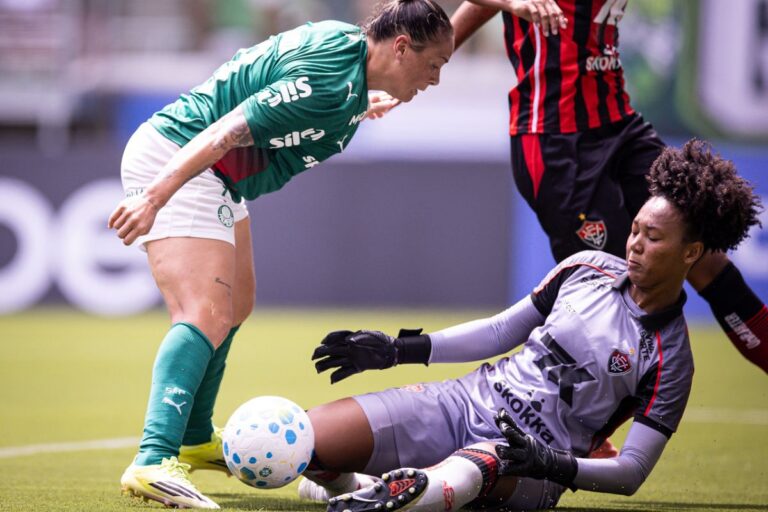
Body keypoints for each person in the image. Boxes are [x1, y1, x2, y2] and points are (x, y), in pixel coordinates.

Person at [108, 1, 454, 508]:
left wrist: (359, 107)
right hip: (182, 159)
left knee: (236, 305)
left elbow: (289, 96)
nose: (436, 79)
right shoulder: (327, 83)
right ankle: (153, 459)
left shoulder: (345, 58)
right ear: (401, 47)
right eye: (434, 64)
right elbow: (227, 131)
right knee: (204, 313)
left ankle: (196, 437)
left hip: (217, 173)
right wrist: (154, 198)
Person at [301, 139, 762, 511]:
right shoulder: (585, 268)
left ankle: (408, 492)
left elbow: (631, 472)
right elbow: (500, 332)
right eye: (636, 229)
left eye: (653, 237)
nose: (635, 244)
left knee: (480, 463)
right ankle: (358, 487)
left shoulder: (671, 358)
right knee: (302, 440)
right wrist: (397, 350)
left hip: (530, 462)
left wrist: (551, 464)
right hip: (461, 404)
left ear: (691, 253)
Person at [445, 0, 768, 373]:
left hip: (620, 124)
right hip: (555, 142)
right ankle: (545, 404)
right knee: (615, 295)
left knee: (705, 257)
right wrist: (435, 51)